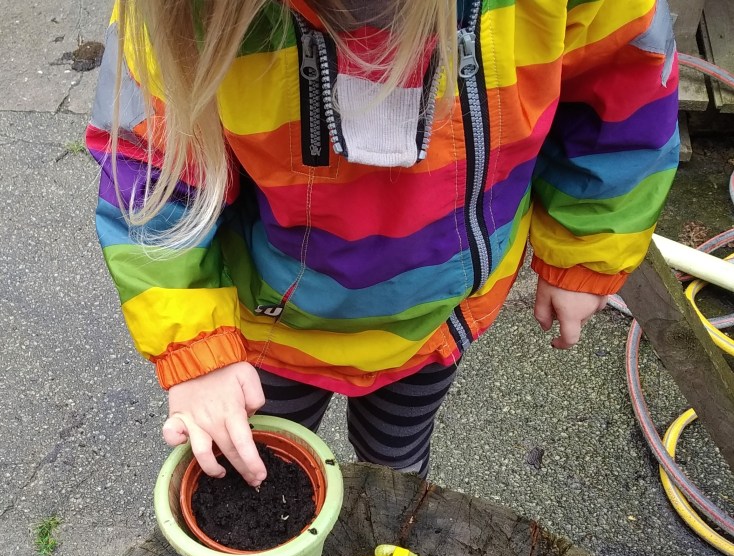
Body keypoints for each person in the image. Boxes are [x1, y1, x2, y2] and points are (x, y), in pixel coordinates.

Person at [86, 0, 679, 486]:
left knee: (394, 467)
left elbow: (624, 99)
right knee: (259, 471)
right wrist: (196, 351)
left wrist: (584, 249)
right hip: (269, 335)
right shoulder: (182, 15)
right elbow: (148, 181)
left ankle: (387, 544)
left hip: (430, 322)